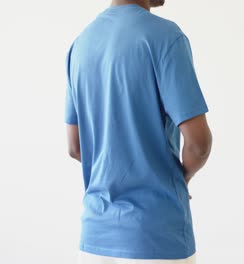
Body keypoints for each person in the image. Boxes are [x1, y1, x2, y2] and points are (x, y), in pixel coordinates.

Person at [64, 0, 213, 263]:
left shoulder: (81, 44)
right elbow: (198, 144)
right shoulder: (165, 37)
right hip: (156, 238)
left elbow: (75, 147)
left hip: (94, 241)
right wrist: (181, 179)